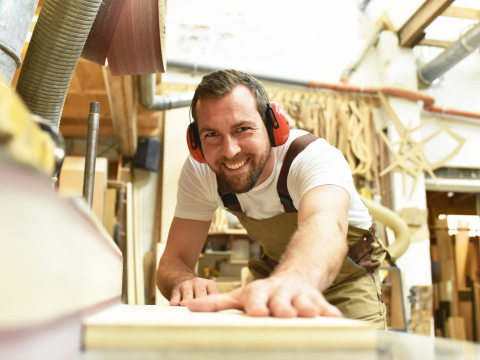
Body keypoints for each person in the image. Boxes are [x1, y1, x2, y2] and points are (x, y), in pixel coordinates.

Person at [156, 69, 389, 329]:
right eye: (211, 135)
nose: (230, 150)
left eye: (243, 129)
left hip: (343, 285)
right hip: (277, 283)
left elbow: (326, 225)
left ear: (272, 126)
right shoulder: (201, 172)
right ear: (195, 141)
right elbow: (172, 260)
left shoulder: (313, 158)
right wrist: (184, 282)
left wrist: (293, 281)